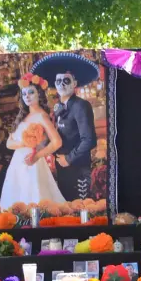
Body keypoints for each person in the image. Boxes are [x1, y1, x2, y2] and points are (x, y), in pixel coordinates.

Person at [32, 53, 99, 200]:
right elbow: (58, 134)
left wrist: (69, 158)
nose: (62, 84)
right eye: (58, 81)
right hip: (62, 169)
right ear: (54, 84)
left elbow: (89, 140)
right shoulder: (58, 107)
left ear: (74, 83)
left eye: (66, 80)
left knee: (81, 209)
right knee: (66, 207)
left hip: (78, 168)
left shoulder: (81, 106)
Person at [0, 73, 65, 206]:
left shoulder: (42, 116)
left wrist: (37, 156)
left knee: (33, 198)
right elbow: (9, 143)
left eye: (31, 92)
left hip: (31, 163)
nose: (27, 96)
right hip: (17, 164)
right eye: (24, 94)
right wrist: (23, 143)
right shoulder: (23, 116)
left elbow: (57, 142)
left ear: (39, 94)